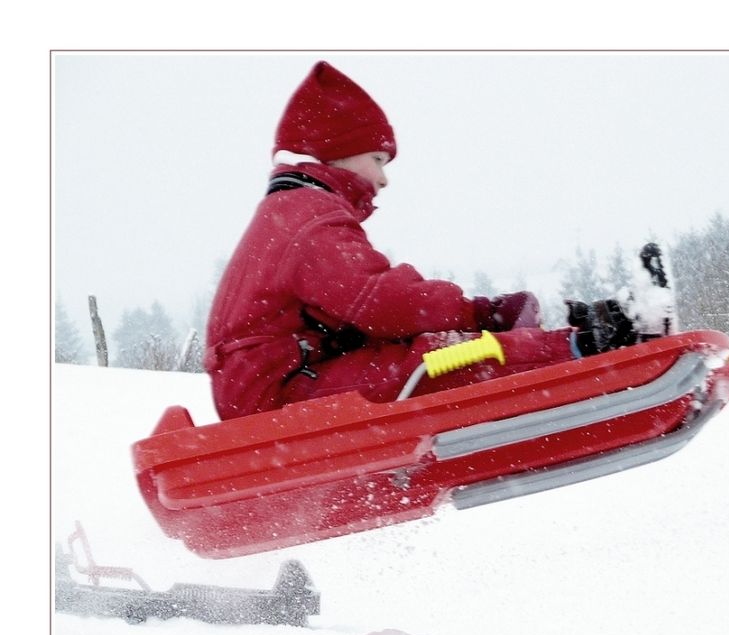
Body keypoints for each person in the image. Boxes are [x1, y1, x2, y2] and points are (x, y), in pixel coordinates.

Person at [204, 61, 675, 421]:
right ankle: (590, 349)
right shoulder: (306, 216)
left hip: (285, 379)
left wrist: (484, 317)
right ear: (337, 153)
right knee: (439, 358)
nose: (384, 180)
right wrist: (476, 313)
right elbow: (382, 302)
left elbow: (353, 313)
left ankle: (589, 341)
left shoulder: (293, 212)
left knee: (439, 348)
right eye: (378, 159)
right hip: (278, 392)